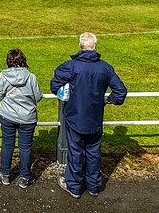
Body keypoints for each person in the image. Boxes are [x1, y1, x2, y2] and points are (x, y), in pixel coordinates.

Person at [50, 32, 127, 198]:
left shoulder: (71, 66)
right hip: (94, 118)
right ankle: (93, 186)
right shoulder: (105, 68)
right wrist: (107, 100)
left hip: (75, 117)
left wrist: (66, 90)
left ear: (80, 46)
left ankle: (75, 187)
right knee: (93, 153)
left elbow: (54, 85)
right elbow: (121, 92)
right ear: (95, 47)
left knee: (75, 152)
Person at [0, 48, 43, 188]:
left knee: (7, 144)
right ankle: (24, 178)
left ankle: (5, 175)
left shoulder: (3, 75)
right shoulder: (31, 77)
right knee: (25, 148)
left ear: (9, 61)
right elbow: (38, 97)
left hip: (7, 115)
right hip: (27, 117)